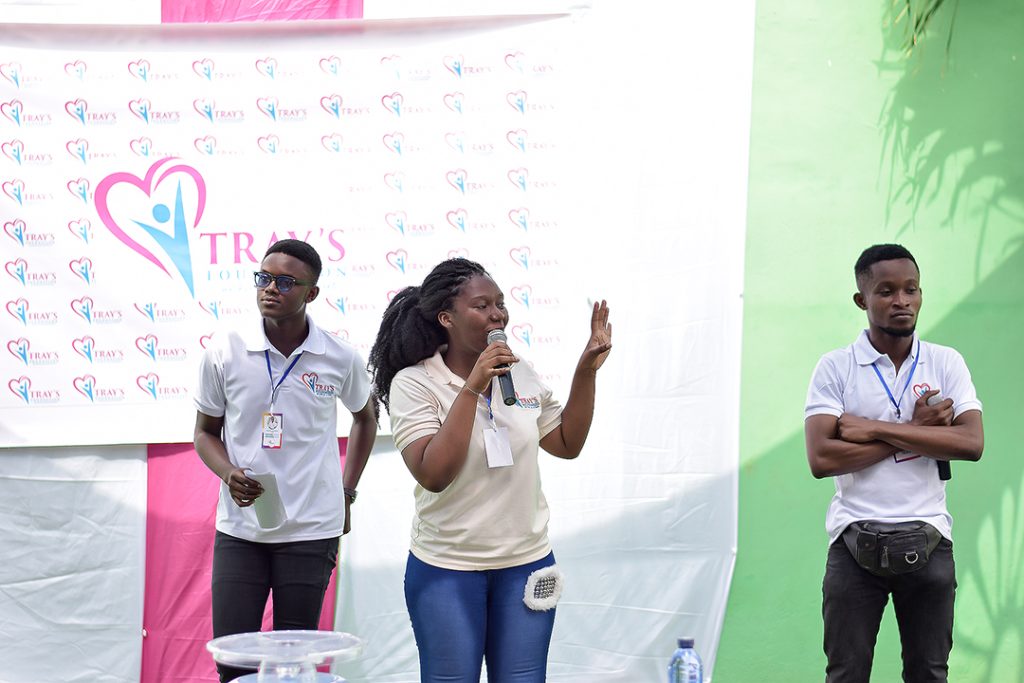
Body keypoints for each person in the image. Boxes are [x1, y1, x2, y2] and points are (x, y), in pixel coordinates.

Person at [368, 258, 611, 683]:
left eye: (500, 303)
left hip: (527, 563)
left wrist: (586, 370)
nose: (498, 314)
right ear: (446, 318)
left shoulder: (520, 372)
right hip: (448, 566)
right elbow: (434, 474)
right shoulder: (414, 383)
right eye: (482, 306)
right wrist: (473, 387)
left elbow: (566, 444)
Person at [194, 239, 377, 682]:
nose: (270, 288)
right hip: (242, 528)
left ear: (312, 293)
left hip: (312, 528)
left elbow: (365, 419)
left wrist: (346, 491)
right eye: (264, 277)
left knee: (295, 665)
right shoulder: (225, 351)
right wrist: (228, 473)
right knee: (232, 661)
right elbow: (204, 433)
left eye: (285, 282)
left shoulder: (339, 356)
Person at [804, 244, 984, 683]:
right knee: (846, 675)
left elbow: (971, 442)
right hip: (853, 542)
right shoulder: (836, 367)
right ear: (861, 299)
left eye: (911, 289)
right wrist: (920, 430)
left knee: (929, 675)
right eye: (886, 291)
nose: (901, 300)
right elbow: (821, 458)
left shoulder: (945, 362)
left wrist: (873, 428)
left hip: (930, 540)